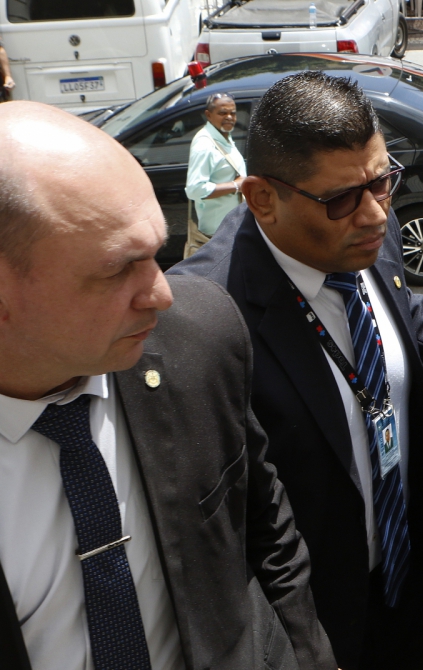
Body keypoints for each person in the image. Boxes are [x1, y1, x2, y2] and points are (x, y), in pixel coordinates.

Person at [0, 102, 334, 668]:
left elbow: (264, 528)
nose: (162, 294)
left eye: (155, 253)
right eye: (116, 269)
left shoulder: (198, 339)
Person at [170, 72, 423, 670]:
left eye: (384, 182)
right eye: (343, 198)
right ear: (262, 198)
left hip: (401, 597)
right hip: (305, 634)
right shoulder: (204, 316)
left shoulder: (369, 231)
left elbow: (408, 316)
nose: (374, 213)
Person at [184, 93, 246, 255]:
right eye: (222, 113)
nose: (229, 117)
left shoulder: (224, 136)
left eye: (232, 113)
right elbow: (195, 189)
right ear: (208, 115)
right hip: (218, 234)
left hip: (233, 228)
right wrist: (235, 186)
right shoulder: (205, 144)